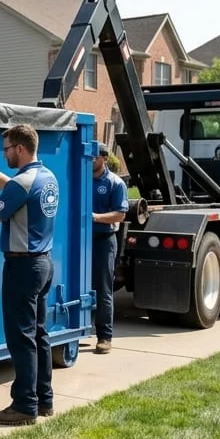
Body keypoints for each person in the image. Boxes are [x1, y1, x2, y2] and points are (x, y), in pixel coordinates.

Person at [0, 124, 58, 426]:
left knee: (21, 338)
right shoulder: (46, 177)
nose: (4, 155)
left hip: (22, 267)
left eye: (5, 150)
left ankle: (24, 406)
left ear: (19, 148)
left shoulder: (23, 182)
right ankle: (44, 400)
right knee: (40, 334)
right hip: (43, 264)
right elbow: (12, 187)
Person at [90, 141, 129, 354]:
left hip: (104, 241)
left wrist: (95, 218)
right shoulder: (82, 179)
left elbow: (120, 215)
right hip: (82, 242)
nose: (91, 161)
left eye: (95, 157)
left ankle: (105, 336)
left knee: (103, 289)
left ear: (105, 158)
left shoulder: (115, 183)